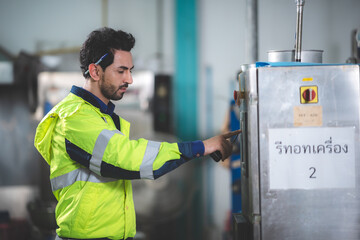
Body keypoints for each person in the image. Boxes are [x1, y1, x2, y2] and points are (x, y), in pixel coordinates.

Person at [34, 27, 240, 240]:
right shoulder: (74, 117)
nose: (130, 79)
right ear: (95, 71)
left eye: (130, 70)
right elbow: (125, 158)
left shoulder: (103, 117)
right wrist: (201, 147)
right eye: (121, 71)